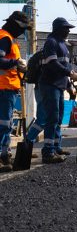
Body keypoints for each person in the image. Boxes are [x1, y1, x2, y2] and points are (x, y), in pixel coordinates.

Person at [38, 17, 77, 164]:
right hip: (49, 85)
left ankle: (56, 146)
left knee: (58, 118)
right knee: (52, 118)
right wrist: (70, 74)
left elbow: (65, 68)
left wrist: (69, 87)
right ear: (57, 29)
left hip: (59, 86)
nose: (68, 31)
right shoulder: (51, 42)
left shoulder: (63, 45)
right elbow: (53, 64)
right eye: (66, 28)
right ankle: (48, 152)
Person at [0, 11, 30, 171]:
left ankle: (4, 155)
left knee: (6, 124)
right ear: (14, 25)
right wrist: (16, 62)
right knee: (3, 124)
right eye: (22, 28)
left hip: (8, 87)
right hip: (3, 88)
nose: (23, 32)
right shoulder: (4, 38)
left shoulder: (8, 38)